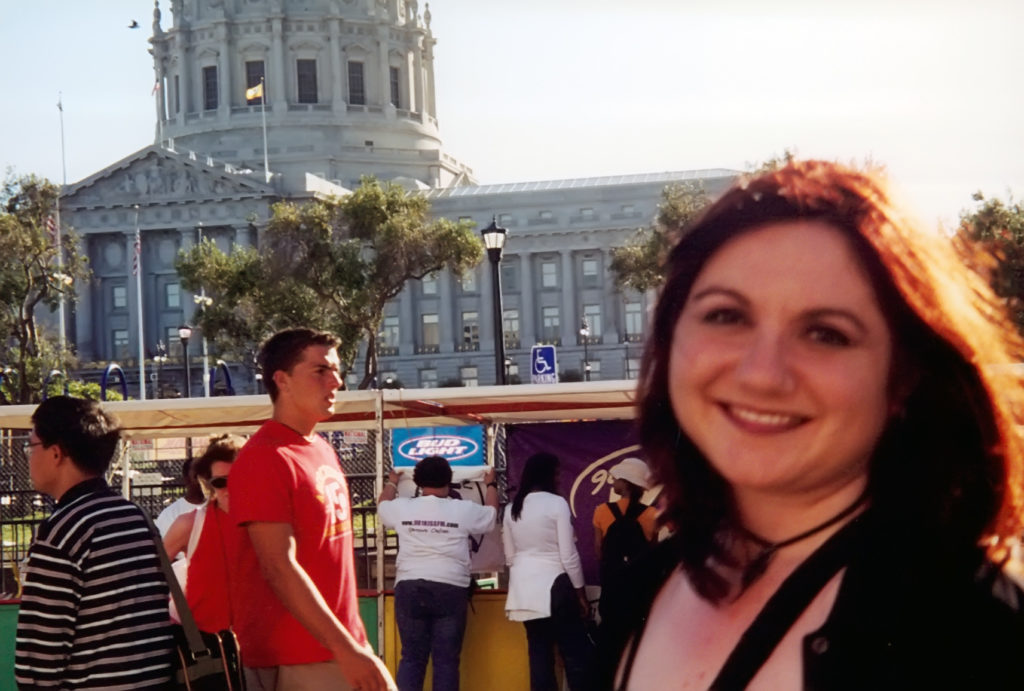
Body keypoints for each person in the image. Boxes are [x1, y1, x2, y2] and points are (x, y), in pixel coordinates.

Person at [603, 160, 1024, 690]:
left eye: (826, 333)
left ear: (903, 379)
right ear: (670, 338)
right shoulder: (642, 590)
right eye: (726, 316)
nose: (762, 374)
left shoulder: (972, 625)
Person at [229, 328, 396, 691]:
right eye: (320, 370)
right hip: (297, 656)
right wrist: (346, 648)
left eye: (336, 371)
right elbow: (278, 566)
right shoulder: (265, 458)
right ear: (282, 380)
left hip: (338, 647)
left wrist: (353, 644)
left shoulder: (319, 447)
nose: (336, 381)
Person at [15, 396, 175, 688]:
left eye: (31, 445)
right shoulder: (137, 517)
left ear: (56, 453)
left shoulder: (62, 531)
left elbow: (40, 654)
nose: (28, 455)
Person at [377, 456, 499, 691]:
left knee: (412, 658)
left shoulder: (403, 508)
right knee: (446, 661)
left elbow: (382, 507)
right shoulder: (463, 509)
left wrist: (392, 483)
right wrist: (491, 485)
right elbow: (491, 517)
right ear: (449, 479)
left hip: (410, 586)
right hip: (450, 587)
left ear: (418, 481)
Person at [503, 452, 593, 691]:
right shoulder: (556, 503)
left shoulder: (512, 509)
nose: (559, 477)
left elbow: (510, 556)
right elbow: (568, 555)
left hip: (524, 589)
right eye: (557, 472)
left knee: (539, 653)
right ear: (549, 474)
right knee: (574, 653)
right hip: (556, 583)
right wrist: (580, 593)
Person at [163, 434, 244, 633]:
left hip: (260, 644)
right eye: (220, 482)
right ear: (208, 483)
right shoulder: (189, 524)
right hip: (208, 649)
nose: (230, 488)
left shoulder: (269, 522)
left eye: (238, 479)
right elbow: (150, 577)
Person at [591, 457, 657, 635]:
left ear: (627, 483)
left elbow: (599, 550)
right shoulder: (651, 514)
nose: (613, 481)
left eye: (617, 478)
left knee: (611, 633)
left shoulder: (601, 511)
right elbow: (654, 552)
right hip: (639, 587)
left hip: (612, 584)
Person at [155, 456, 205, 537]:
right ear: (186, 479)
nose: (202, 480)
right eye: (196, 476)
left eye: (205, 475)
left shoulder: (218, 509)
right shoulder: (170, 515)